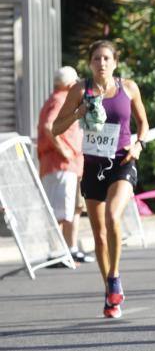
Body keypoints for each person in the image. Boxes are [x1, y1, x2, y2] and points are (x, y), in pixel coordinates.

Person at [53, 41, 149, 319]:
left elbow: (143, 123)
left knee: (113, 217)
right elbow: (55, 128)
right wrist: (78, 113)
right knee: (99, 235)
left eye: (106, 58)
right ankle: (110, 291)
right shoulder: (79, 90)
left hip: (122, 162)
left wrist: (138, 144)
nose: (102, 63)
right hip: (93, 166)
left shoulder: (128, 88)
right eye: (96, 58)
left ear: (115, 62)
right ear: (90, 63)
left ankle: (115, 275)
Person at [38, 66, 94, 265]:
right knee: (61, 210)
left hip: (70, 165)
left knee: (72, 209)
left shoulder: (59, 99)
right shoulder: (60, 100)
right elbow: (48, 127)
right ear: (70, 84)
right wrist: (64, 151)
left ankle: (70, 250)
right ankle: (57, 253)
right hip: (60, 164)